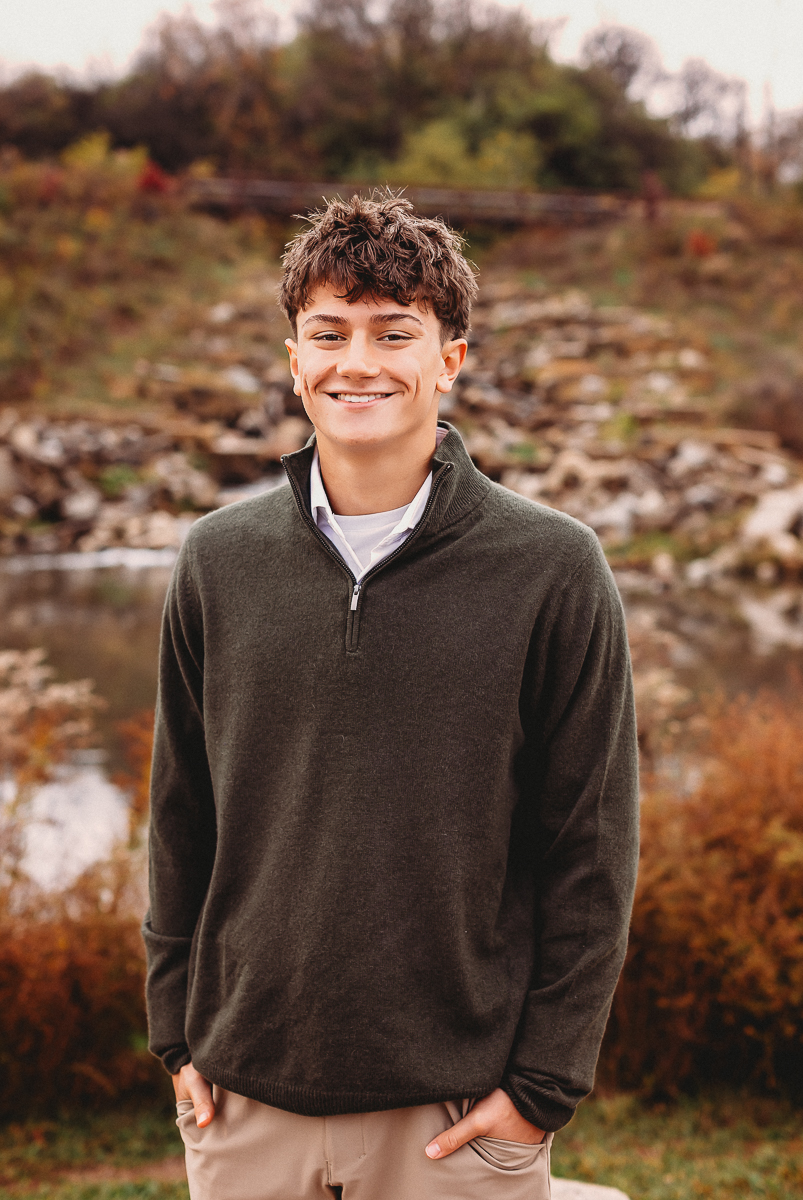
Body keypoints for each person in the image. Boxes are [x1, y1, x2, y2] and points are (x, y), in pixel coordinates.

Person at [143, 192, 639, 1200]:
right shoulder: (215, 561)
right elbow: (179, 815)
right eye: (325, 333)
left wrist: (545, 1082)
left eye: (392, 333)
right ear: (292, 357)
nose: (354, 363)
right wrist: (173, 1030)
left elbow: (587, 847)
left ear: (448, 358)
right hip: (243, 1103)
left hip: (454, 1113)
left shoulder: (551, 567)